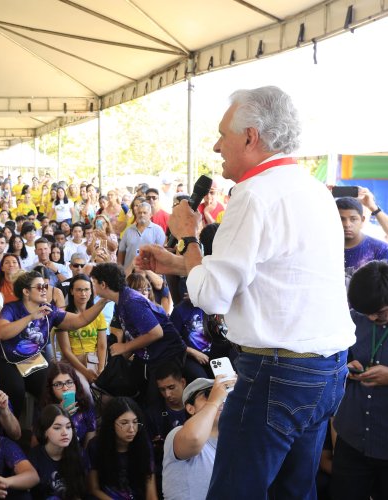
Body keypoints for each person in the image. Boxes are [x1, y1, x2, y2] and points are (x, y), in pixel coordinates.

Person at [137, 86, 354, 498]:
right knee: (294, 491)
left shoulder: (253, 194)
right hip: (325, 371)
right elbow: (271, 273)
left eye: (223, 135)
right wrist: (182, 264)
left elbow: (213, 297)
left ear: (251, 137)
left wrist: (189, 238)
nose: (217, 146)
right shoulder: (310, 188)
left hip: (276, 374)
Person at [0, 271, 109, 417]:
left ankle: (48, 426)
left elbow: (80, 320)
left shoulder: (49, 311)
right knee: (16, 389)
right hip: (7, 361)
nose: (45, 289)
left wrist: (103, 301)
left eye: (46, 286)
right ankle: (12, 433)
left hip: (33, 361)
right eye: (39, 287)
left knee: (52, 387)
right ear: (26, 291)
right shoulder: (11, 308)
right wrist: (31, 316)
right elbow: (1, 332)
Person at [331, 260, 388, 499]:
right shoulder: (354, 319)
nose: (373, 318)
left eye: (381, 312)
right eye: (367, 313)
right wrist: (346, 366)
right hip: (352, 435)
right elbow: (335, 359)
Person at [162, 376, 231, 500]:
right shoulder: (177, 432)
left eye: (224, 395)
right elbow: (193, 438)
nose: (221, 399)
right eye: (208, 394)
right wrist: (214, 401)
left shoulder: (231, 445)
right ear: (190, 408)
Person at [87, 397, 157, 499]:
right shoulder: (96, 446)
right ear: (111, 424)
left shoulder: (143, 444)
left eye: (135, 422)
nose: (132, 429)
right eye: (124, 423)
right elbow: (93, 488)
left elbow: (150, 489)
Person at [55, 274, 107, 385]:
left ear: (91, 291)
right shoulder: (63, 315)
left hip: (94, 359)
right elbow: (66, 351)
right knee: (83, 388)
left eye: (86, 289)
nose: (83, 294)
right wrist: (85, 371)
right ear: (72, 291)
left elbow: (102, 346)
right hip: (72, 362)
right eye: (79, 290)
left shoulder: (98, 314)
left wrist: (101, 369)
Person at [28, 404, 88, 499]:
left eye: (68, 427)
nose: (65, 433)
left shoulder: (79, 453)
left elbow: (80, 493)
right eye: (57, 428)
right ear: (45, 432)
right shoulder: (34, 457)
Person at [38, 362, 97, 448]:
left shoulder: (85, 405)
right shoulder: (44, 408)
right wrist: (58, 414)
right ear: (51, 388)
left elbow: (90, 442)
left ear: (75, 384)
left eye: (69, 382)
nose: (65, 388)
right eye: (58, 384)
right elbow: (37, 443)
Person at [337, 196, 388, 285]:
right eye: (341, 219)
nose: (347, 224)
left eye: (353, 219)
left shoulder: (380, 249)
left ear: (362, 220)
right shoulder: (322, 248)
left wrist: (374, 208)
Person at [117, 199, 165, 272]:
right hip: (129, 274)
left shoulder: (158, 230)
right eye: (139, 213)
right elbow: (121, 252)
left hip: (150, 274)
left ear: (150, 215)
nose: (142, 215)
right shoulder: (128, 230)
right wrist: (120, 272)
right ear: (136, 214)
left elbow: (161, 254)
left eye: (145, 213)